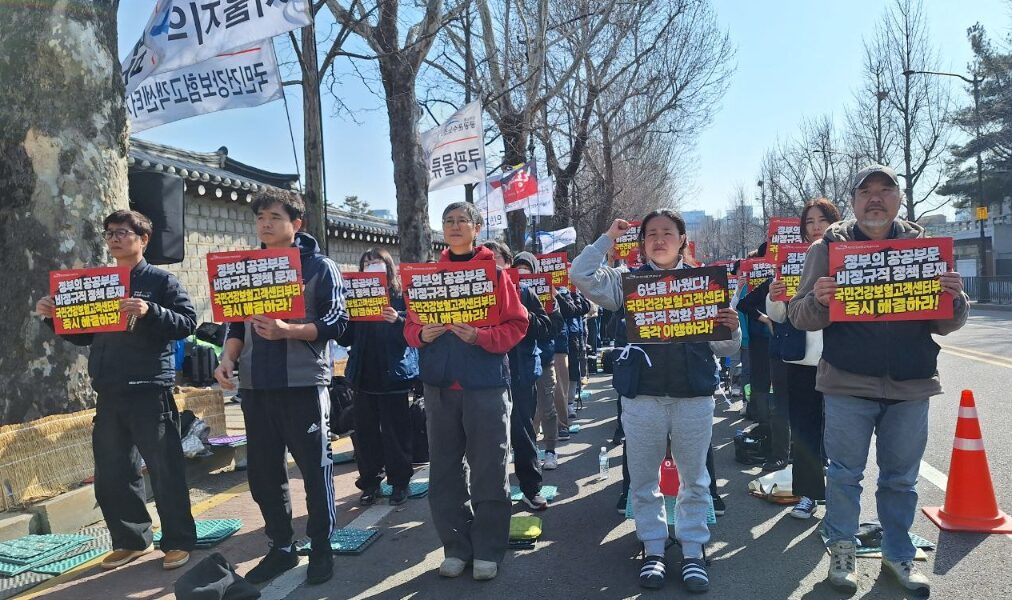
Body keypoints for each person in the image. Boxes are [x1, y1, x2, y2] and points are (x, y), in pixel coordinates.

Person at [789, 165, 968, 594]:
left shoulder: (924, 246)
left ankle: (899, 554)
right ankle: (843, 549)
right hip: (848, 383)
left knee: (901, 480)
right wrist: (819, 300)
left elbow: (947, 324)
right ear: (852, 201)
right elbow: (799, 315)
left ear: (899, 198)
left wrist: (954, 299)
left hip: (911, 383)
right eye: (865, 191)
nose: (875, 198)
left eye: (885, 190)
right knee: (845, 474)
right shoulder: (829, 247)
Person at [571, 210, 741, 594]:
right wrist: (608, 237)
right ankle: (653, 547)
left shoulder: (705, 283)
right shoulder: (626, 283)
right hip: (642, 397)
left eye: (668, 233)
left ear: (683, 240)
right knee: (643, 478)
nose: (659, 239)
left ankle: (694, 549)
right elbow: (580, 275)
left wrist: (733, 327)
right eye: (651, 234)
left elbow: (726, 346)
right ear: (642, 242)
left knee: (696, 478)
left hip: (693, 396)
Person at [35, 209, 197, 571]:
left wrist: (150, 310)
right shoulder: (98, 283)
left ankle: (179, 541)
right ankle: (131, 540)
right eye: (110, 233)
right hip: (109, 391)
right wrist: (52, 316)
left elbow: (187, 322)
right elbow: (83, 336)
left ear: (143, 239)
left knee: (164, 468)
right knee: (112, 472)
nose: (115, 238)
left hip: (149, 390)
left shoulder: (159, 281)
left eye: (124, 232)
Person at [214, 189, 348, 586]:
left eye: (274, 216)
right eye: (260, 218)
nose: (265, 224)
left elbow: (338, 323)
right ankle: (282, 548)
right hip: (256, 387)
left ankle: (321, 547)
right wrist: (227, 360)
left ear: (297, 224)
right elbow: (236, 326)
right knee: (263, 473)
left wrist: (290, 330)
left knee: (314, 470)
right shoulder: (245, 269)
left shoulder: (321, 267)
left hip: (304, 385)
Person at [403, 202, 528, 581]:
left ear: (476, 229)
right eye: (448, 221)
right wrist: (421, 334)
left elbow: (517, 325)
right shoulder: (426, 276)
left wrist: (481, 336)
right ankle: (456, 546)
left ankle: (489, 547)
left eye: (462, 221)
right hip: (439, 386)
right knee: (444, 470)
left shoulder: (496, 275)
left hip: (485, 384)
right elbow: (410, 328)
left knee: (489, 467)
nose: (455, 227)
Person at [765, 198, 840, 519]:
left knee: (841, 432)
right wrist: (774, 296)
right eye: (809, 222)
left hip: (841, 359)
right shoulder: (790, 262)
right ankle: (808, 494)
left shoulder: (849, 257)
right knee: (806, 431)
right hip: (801, 359)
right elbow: (781, 317)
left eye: (822, 220)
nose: (815, 227)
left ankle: (840, 498)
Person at [337, 248, 418, 506]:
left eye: (377, 263)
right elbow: (345, 337)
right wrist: (345, 318)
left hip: (394, 375)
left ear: (388, 267)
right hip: (364, 375)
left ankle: (400, 482)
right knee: (365, 434)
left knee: (396, 433)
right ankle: (370, 482)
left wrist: (398, 319)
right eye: (367, 263)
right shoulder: (355, 295)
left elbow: (415, 330)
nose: (372, 267)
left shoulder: (400, 295)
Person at [482, 241, 553, 511]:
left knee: (522, 432)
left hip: (520, 372)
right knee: (487, 438)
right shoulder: (470, 294)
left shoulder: (524, 291)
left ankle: (531, 488)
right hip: (483, 375)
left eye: (495, 258)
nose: (490, 264)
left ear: (508, 263)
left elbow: (547, 327)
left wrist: (521, 313)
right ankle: (490, 495)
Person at [523, 252, 563, 470]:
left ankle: (550, 450)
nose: (522, 276)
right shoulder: (509, 293)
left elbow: (554, 328)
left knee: (547, 407)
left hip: (544, 359)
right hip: (518, 362)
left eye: (526, 271)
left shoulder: (548, 295)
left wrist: (552, 300)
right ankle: (529, 450)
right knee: (524, 412)